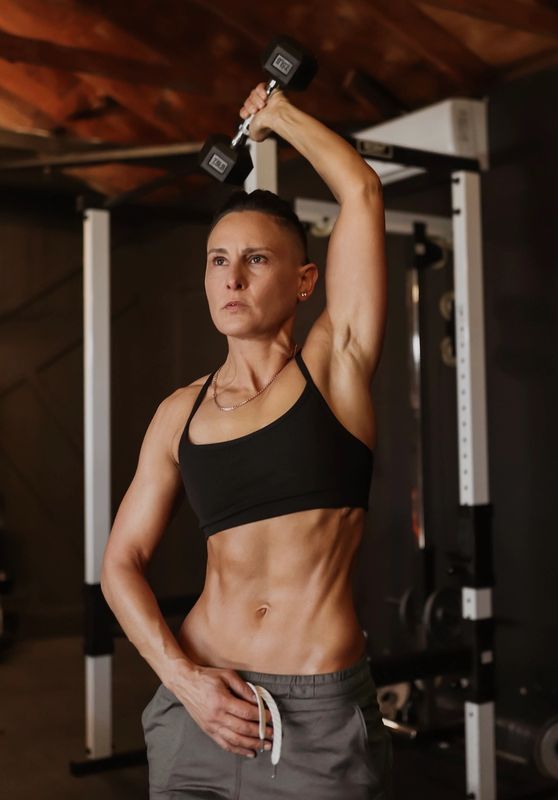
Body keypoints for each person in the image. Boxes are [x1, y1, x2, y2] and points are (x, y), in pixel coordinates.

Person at [100, 81, 391, 799]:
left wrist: (278, 116)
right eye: (216, 259)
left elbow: (360, 193)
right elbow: (120, 564)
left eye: (256, 261)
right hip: (197, 704)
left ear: (304, 280)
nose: (230, 278)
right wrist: (183, 680)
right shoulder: (180, 412)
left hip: (314, 718)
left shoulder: (335, 367)